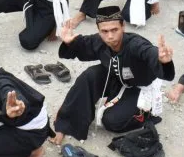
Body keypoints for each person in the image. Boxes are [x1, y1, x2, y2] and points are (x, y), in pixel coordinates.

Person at [51, 7, 174, 144]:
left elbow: (149, 52)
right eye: (104, 31)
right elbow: (83, 45)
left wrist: (162, 60)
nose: (110, 36)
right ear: (99, 30)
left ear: (123, 26)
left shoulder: (135, 44)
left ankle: (146, 112)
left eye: (114, 30)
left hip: (138, 87)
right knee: (89, 75)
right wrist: (69, 42)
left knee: (111, 121)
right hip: (116, 77)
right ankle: (67, 123)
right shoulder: (100, 41)